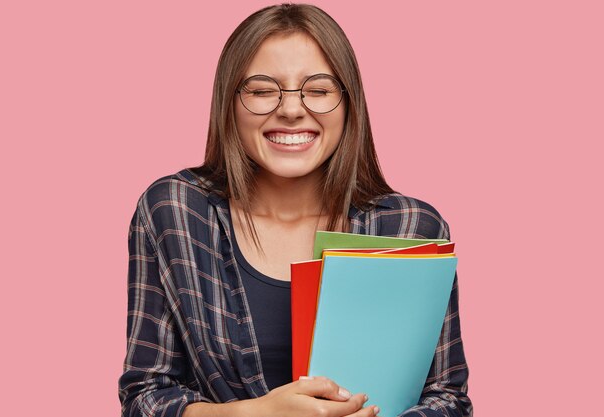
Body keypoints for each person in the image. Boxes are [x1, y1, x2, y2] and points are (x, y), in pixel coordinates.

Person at [118, 3, 472, 417]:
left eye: (318, 90)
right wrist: (254, 414)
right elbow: (145, 397)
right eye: (263, 90)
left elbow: (449, 400)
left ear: (348, 103)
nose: (290, 110)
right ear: (229, 102)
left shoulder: (410, 226)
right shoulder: (175, 211)